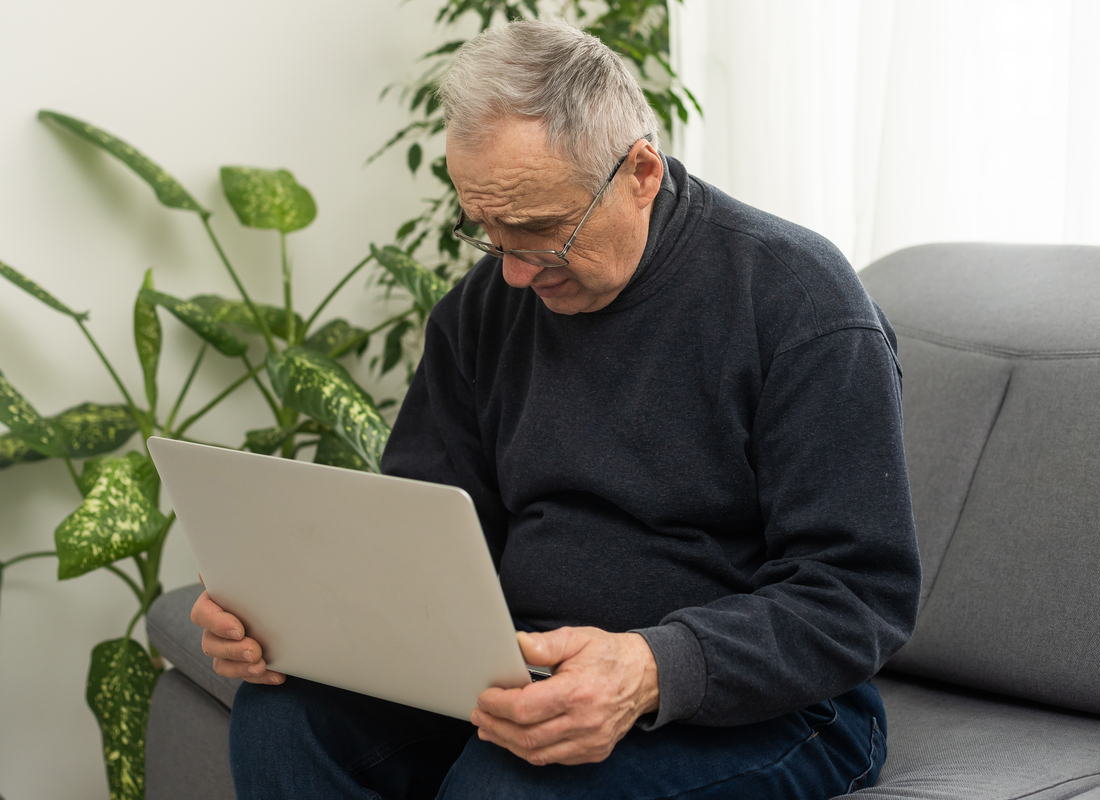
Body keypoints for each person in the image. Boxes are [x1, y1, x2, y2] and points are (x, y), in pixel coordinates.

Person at [192, 18, 921, 800]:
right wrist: (296, 617)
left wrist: (648, 668)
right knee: (285, 721)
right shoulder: (483, 310)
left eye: (539, 230)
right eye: (487, 230)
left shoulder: (799, 301)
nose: (511, 273)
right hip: (524, 665)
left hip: (765, 704)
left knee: (506, 789)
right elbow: (428, 536)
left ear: (641, 171)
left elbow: (855, 595)